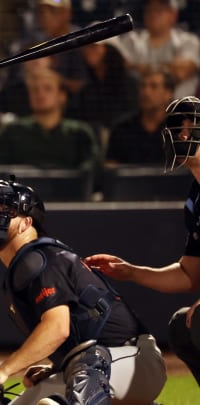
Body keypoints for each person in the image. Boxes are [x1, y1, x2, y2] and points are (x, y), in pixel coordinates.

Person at [0, 178, 166, 405]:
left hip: (131, 358)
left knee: (86, 365)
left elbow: (57, 329)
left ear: (26, 222)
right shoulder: (24, 267)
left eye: (0, 210)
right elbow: (76, 331)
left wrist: (2, 372)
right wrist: (57, 366)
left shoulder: (40, 257)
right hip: (97, 365)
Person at [85, 95, 200, 385]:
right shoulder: (195, 197)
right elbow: (189, 275)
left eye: (191, 128)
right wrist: (130, 271)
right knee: (181, 327)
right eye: (178, 129)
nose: (183, 135)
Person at [0, 67, 99, 172]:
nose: (40, 94)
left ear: (62, 96)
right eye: (34, 89)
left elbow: (91, 173)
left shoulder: (80, 133)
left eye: (48, 88)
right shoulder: (12, 132)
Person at [115, 0, 200, 99]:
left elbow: (180, 72)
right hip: (138, 111)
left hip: (181, 111)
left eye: (160, 10)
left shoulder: (189, 41)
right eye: (150, 9)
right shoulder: (131, 40)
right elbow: (121, 71)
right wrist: (167, 68)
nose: (153, 14)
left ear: (173, 15)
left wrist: (138, 68)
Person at [104, 68, 175, 167]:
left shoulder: (180, 130)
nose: (146, 92)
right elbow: (111, 167)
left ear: (168, 94)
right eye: (143, 86)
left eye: (153, 87)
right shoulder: (122, 128)